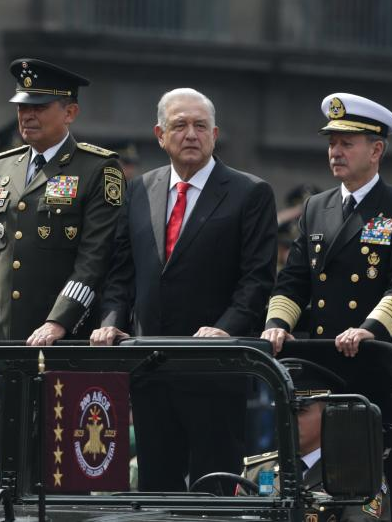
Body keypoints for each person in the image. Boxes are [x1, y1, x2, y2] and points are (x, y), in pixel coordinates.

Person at [90, 87, 277, 490]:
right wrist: (110, 321)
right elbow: (120, 275)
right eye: (180, 125)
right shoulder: (138, 190)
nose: (191, 134)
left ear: (215, 133)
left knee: (214, 488)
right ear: (160, 134)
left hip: (214, 368)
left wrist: (225, 330)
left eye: (200, 126)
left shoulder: (250, 193)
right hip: (150, 366)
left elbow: (257, 279)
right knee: (157, 487)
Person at [0, 58, 124, 345]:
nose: (27, 115)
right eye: (22, 107)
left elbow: (94, 259)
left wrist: (59, 321)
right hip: (5, 336)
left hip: (67, 339)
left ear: (70, 113)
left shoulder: (96, 169)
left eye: (39, 107)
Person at [262, 93, 392, 358]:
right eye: (332, 143)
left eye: (347, 144)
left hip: (376, 349)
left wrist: (370, 329)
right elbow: (294, 279)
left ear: (376, 151)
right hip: (321, 351)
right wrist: (277, 325)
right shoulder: (314, 206)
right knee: (304, 400)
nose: (335, 152)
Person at [240, 358, 389, 521]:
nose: (288, 419)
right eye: (283, 410)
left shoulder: (356, 476)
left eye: (300, 410)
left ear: (330, 414)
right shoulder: (259, 472)